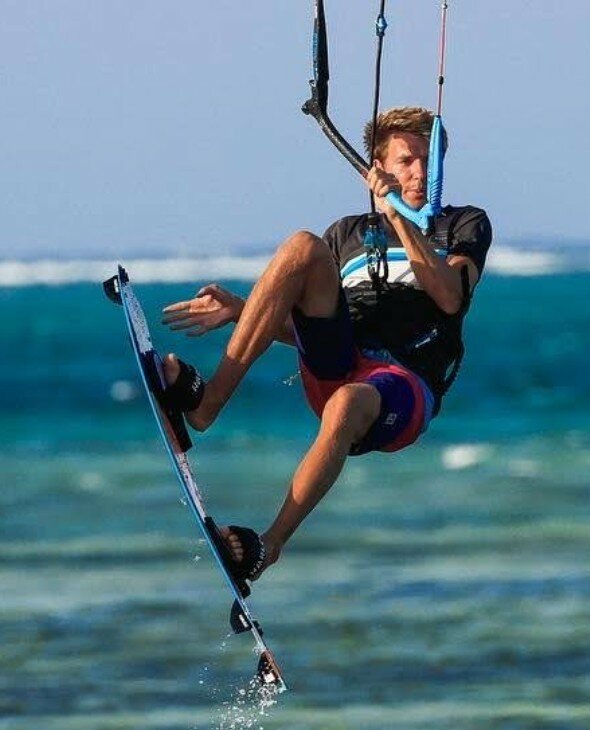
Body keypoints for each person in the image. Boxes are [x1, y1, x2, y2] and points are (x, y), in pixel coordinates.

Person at [156, 106, 492, 592]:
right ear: (375, 172)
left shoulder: (464, 225)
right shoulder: (346, 235)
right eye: (406, 161)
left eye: (428, 160)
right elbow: (309, 330)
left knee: (349, 401)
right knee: (301, 246)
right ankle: (207, 406)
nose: (419, 172)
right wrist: (241, 310)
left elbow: (448, 295)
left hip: (404, 387)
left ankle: (268, 546)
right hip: (339, 365)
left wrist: (400, 218)